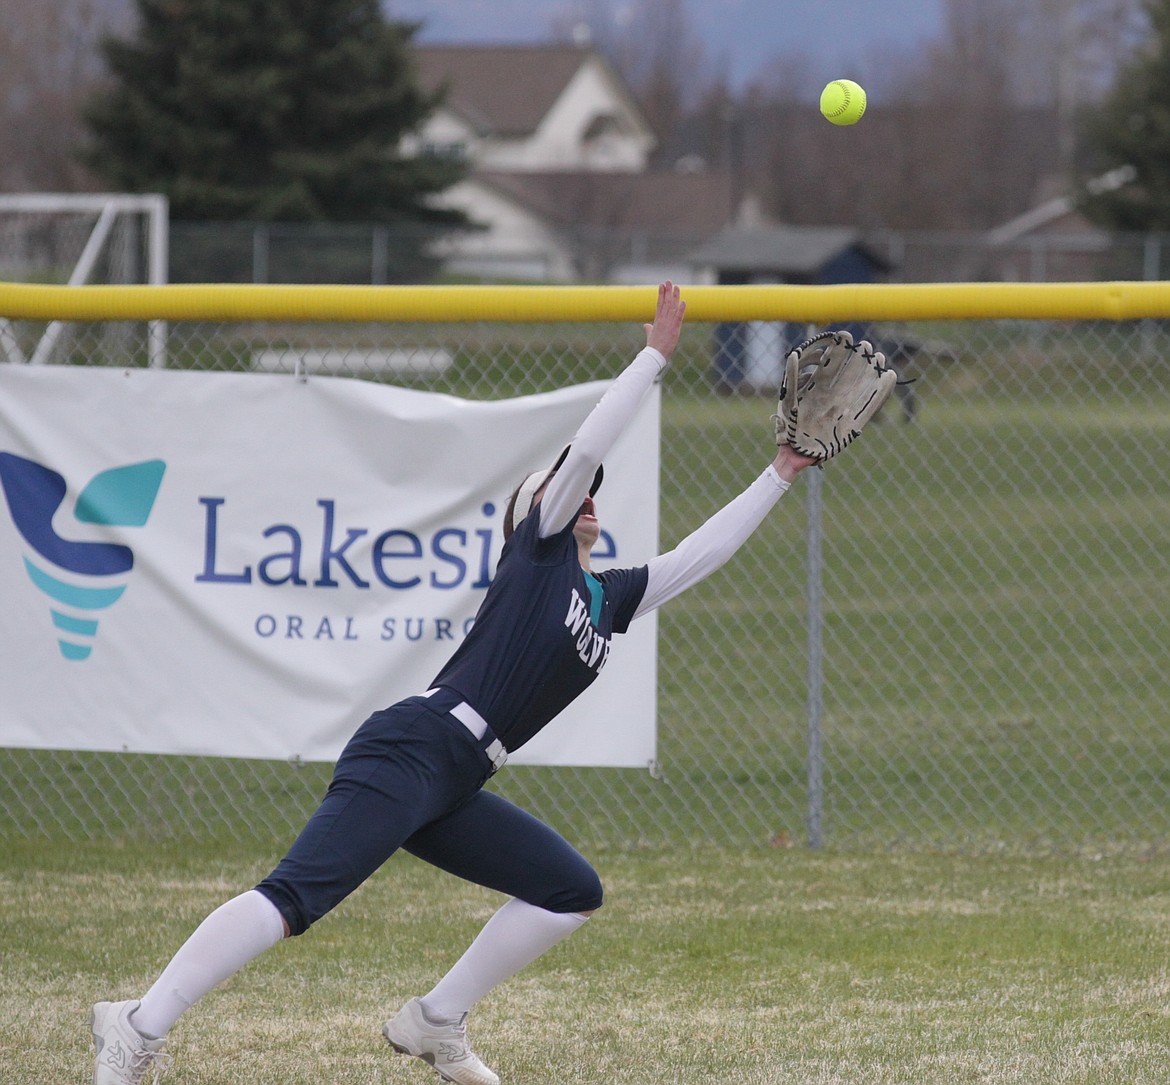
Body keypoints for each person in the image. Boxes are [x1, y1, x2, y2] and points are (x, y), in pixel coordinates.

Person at [90, 282, 821, 1085]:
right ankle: (137, 1024)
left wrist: (780, 472)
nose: (586, 502)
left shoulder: (606, 598)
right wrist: (653, 358)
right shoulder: (535, 554)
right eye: (569, 496)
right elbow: (582, 456)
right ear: (532, 514)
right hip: (412, 746)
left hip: (457, 776)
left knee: (570, 890)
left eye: (592, 501)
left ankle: (434, 1020)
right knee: (295, 898)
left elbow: (700, 556)